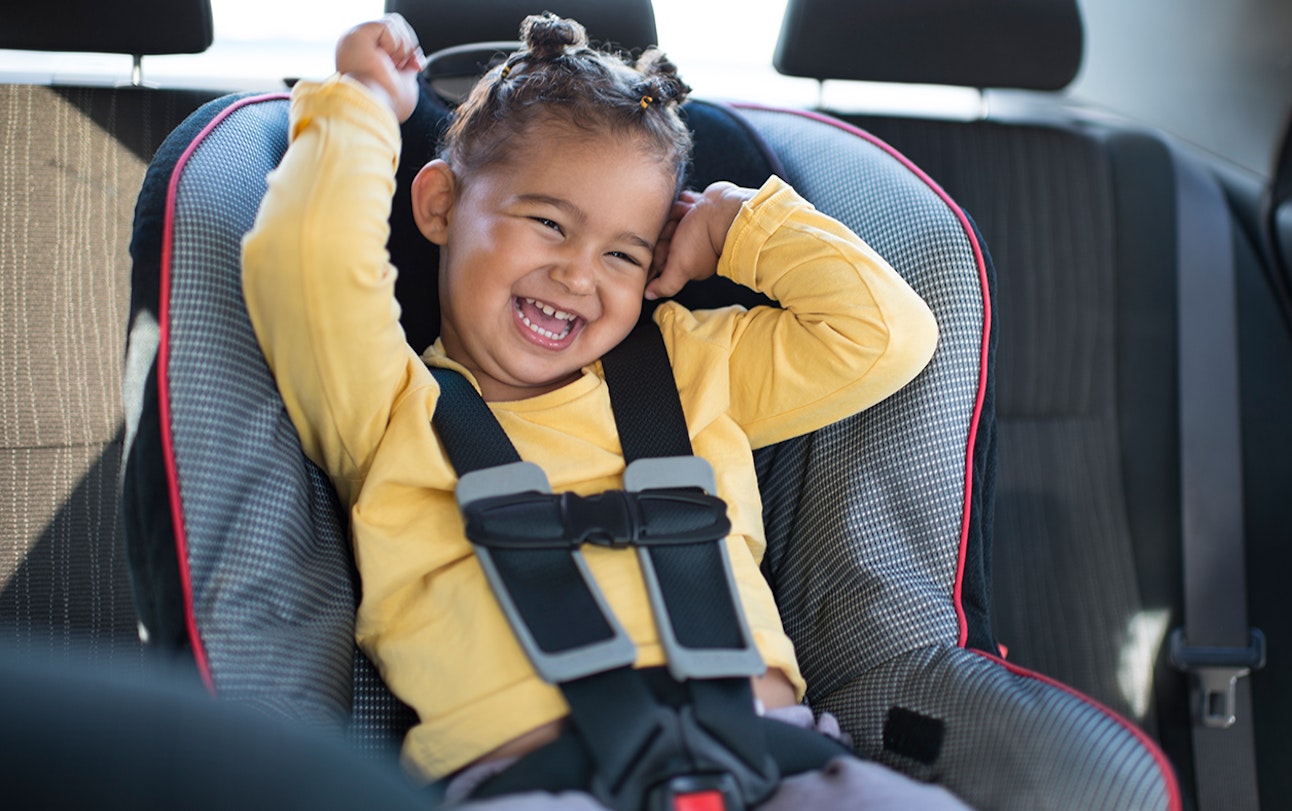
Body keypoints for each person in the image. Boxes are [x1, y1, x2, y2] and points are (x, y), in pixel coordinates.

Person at [242, 11, 964, 810]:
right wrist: (366, 100)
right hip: (538, 783)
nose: (579, 275)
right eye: (548, 222)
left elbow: (887, 337)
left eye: (623, 252)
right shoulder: (383, 406)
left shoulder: (697, 365)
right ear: (440, 204)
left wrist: (736, 225)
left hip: (780, 763)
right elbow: (306, 261)